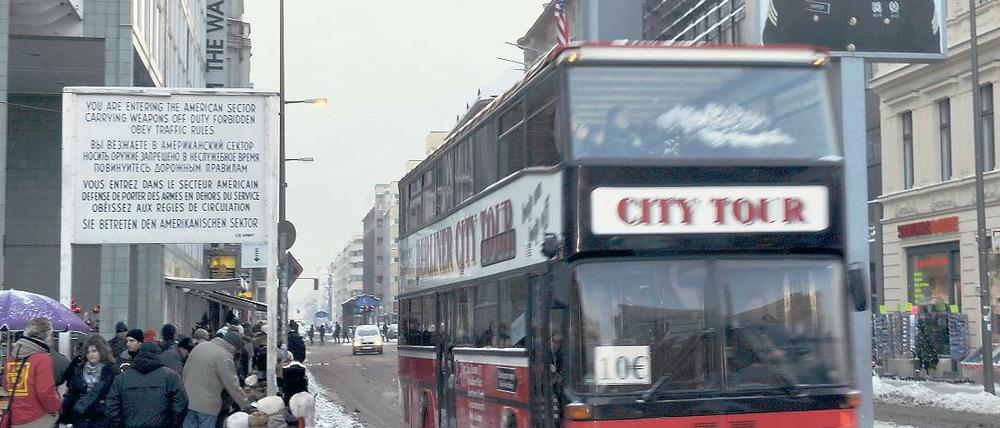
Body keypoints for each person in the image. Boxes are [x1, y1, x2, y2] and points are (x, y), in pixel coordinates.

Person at [106, 343, 188, 428]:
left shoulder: (121, 379)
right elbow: (181, 404)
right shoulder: (171, 376)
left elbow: (111, 408)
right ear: (158, 355)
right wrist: (173, 424)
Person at [182, 331, 251, 428]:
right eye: (236, 350)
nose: (235, 353)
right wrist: (246, 405)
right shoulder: (224, 356)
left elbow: (185, 370)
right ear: (232, 346)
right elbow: (232, 385)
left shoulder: (200, 346)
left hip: (188, 400)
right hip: (207, 405)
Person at [2, 317, 61, 428]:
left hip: (14, 419)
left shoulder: (10, 359)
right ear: (47, 337)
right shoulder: (42, 359)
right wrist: (55, 408)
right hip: (36, 418)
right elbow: (45, 392)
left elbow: (6, 386)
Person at [60, 335, 118, 428]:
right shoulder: (79, 370)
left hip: (102, 419)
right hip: (80, 419)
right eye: (88, 352)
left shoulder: (112, 371)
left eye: (94, 351)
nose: (91, 354)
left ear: (101, 351)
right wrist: (64, 418)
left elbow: (116, 398)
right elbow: (71, 395)